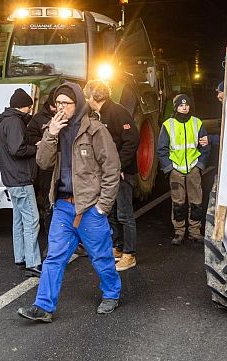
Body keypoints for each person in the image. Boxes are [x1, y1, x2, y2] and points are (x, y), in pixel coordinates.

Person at [17, 82, 122, 323]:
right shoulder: (54, 129)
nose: (61, 108)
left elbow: (111, 169)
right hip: (63, 206)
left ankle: (111, 294)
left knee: (101, 256)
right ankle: (43, 306)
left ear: (78, 104)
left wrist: (102, 206)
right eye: (58, 104)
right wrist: (51, 134)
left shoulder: (95, 130)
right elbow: (43, 162)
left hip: (89, 207)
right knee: (54, 257)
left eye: (66, 103)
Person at [83, 80, 140, 272]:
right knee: (112, 212)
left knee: (125, 214)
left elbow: (131, 141)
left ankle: (130, 254)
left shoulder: (117, 112)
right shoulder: (96, 115)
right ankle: (118, 247)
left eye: (87, 96)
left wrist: (119, 167)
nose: (86, 100)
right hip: (107, 174)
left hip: (122, 173)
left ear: (93, 97)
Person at [0, 88, 41, 277]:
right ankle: (33, 262)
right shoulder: (14, 122)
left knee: (18, 219)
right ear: (25, 106)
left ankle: (20, 257)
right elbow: (17, 149)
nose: (30, 110)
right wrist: (35, 148)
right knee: (32, 220)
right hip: (20, 178)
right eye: (29, 107)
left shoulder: (4, 121)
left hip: (11, 178)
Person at [157, 93, 210, 245]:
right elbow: (162, 149)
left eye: (186, 105)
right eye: (181, 105)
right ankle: (179, 232)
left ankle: (194, 232)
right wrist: (170, 168)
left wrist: (199, 166)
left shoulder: (197, 123)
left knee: (196, 202)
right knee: (178, 203)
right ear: (176, 107)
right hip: (176, 170)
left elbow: (204, 146)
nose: (184, 107)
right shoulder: (168, 125)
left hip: (193, 168)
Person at [26, 90, 56, 259]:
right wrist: (39, 142)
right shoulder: (38, 119)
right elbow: (29, 137)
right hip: (46, 171)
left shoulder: (67, 114)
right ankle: (52, 246)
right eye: (54, 106)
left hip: (64, 168)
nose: (57, 109)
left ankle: (76, 242)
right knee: (49, 206)